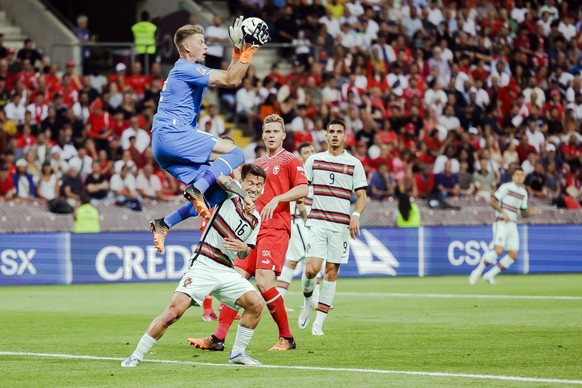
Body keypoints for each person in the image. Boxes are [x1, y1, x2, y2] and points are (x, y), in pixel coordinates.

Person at [121, 164, 267, 367]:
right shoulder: (229, 195)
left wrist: (243, 247)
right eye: (250, 182)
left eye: (259, 185)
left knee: (256, 304)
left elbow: (245, 251)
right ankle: (135, 356)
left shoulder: (256, 219)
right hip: (204, 264)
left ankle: (238, 353)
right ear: (242, 182)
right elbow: (222, 178)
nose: (255, 188)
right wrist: (244, 195)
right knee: (173, 312)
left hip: (226, 269)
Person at [188, 114, 308, 352]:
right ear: (262, 135)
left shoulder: (290, 160)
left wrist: (278, 199)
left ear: (283, 135)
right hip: (252, 231)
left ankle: (287, 338)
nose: (271, 135)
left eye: (276, 131)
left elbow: (303, 188)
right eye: (268, 132)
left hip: (275, 228)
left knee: (264, 283)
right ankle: (218, 338)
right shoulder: (258, 165)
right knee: (235, 282)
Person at [150, 19, 270, 224]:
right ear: (187, 47)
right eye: (201, 42)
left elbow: (234, 77)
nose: (205, 46)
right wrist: (250, 49)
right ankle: (197, 188)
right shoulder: (185, 69)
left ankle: (164, 223)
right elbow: (230, 80)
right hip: (174, 133)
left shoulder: (184, 71)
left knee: (218, 192)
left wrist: (238, 50)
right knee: (236, 152)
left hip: (163, 147)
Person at [298, 119, 368, 336]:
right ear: (326, 136)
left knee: (331, 272)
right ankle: (308, 301)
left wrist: (355, 215)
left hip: (340, 226)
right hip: (317, 222)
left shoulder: (354, 164)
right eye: (331, 132)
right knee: (311, 269)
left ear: (345, 136)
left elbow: (362, 196)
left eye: (339, 132)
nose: (335, 135)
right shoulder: (314, 161)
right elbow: (302, 188)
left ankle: (319, 323)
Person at [469, 167, 537, 285]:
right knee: (498, 250)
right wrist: (502, 212)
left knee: (513, 254)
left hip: (513, 224)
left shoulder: (523, 193)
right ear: (513, 176)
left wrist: (530, 213)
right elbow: (493, 201)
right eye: (517, 174)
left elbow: (523, 212)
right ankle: (477, 271)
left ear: (524, 177)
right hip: (501, 222)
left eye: (522, 175)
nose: (520, 177)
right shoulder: (506, 187)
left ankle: (490, 275)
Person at [276, 142, 317, 306]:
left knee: (291, 262)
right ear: (301, 156)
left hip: (299, 223)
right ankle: (314, 299)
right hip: (300, 222)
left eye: (313, 151)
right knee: (312, 260)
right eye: (307, 152)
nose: (311, 153)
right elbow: (300, 200)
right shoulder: (299, 171)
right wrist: (307, 220)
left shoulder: (313, 172)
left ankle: (278, 299)